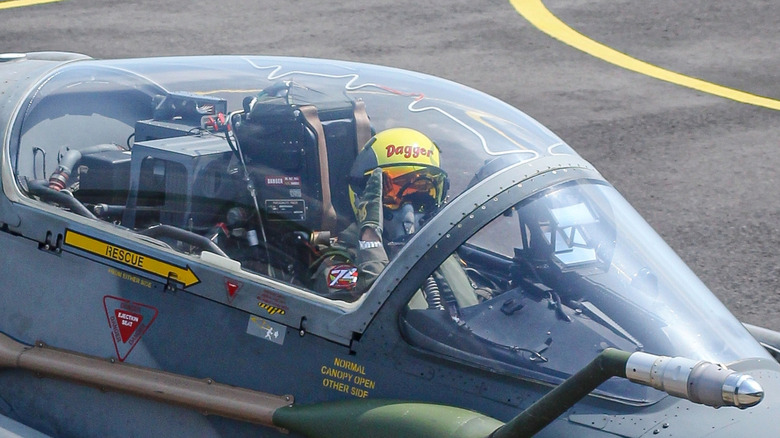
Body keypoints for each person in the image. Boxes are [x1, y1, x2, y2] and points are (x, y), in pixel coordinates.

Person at [307, 127, 448, 301]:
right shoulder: (333, 258)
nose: (408, 214)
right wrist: (370, 240)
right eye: (391, 195)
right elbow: (376, 309)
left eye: (421, 195)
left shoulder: (435, 249)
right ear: (364, 197)